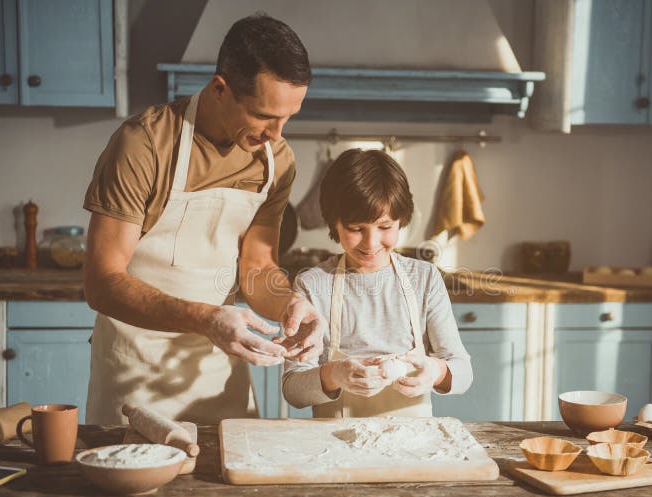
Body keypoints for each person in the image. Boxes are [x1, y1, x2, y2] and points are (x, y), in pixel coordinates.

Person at [82, 13, 324, 424]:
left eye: (289, 117)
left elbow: (257, 269)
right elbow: (102, 283)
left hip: (219, 375)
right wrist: (207, 318)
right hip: (135, 374)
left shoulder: (276, 162)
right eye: (265, 116)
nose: (278, 133)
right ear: (220, 89)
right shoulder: (145, 144)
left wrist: (292, 304)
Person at [282, 149, 473, 417]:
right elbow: (293, 389)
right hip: (334, 447)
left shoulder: (425, 279)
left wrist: (436, 371)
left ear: (401, 220)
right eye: (356, 228)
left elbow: (463, 372)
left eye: (385, 227)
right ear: (334, 223)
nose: (371, 244)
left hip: (413, 446)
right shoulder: (312, 285)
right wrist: (334, 375)